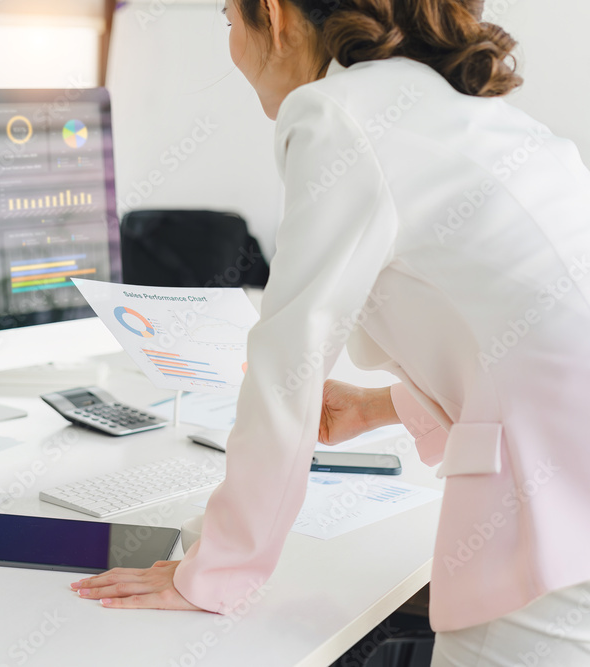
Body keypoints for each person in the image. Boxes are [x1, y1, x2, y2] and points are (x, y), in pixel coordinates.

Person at [71, 0, 590, 664]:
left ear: (275, 16)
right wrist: (379, 407)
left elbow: (287, 364)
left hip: (560, 504)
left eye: (228, 19)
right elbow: (530, 338)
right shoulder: (461, 109)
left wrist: (213, 573)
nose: (232, 43)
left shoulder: (336, 113)